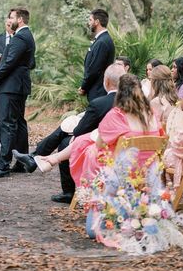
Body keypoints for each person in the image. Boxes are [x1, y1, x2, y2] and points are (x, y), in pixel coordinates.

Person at [13, 63, 124, 202]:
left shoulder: (99, 103)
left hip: (102, 148)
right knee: (67, 133)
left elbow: (80, 131)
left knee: (66, 142)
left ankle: (67, 191)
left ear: (106, 82)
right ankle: (34, 158)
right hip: (125, 148)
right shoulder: (134, 104)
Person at [35, 74, 163, 187]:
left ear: (119, 92)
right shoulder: (152, 114)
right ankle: (53, 159)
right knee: (88, 138)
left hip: (122, 168)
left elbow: (99, 144)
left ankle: (54, 160)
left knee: (86, 144)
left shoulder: (117, 115)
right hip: (149, 166)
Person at [0, 7, 35, 178]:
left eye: (11, 17)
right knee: (18, 122)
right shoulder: (25, 36)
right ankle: (21, 161)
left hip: (11, 87)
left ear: (19, 19)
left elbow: (9, 62)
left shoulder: (20, 37)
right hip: (17, 87)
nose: (9, 20)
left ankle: (3, 165)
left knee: (7, 124)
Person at [78, 9, 115, 102]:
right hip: (97, 90)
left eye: (90, 20)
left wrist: (84, 87)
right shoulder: (102, 40)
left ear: (97, 22)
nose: (88, 23)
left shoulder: (102, 42)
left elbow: (94, 69)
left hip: (98, 92)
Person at [149, 65, 178, 129]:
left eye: (151, 79)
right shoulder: (175, 98)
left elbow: (151, 126)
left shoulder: (157, 102)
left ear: (154, 82)